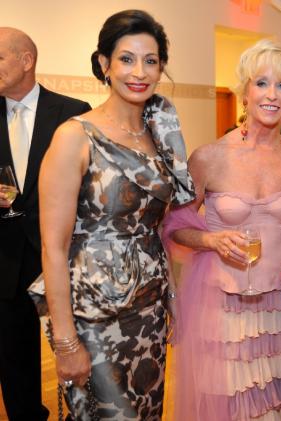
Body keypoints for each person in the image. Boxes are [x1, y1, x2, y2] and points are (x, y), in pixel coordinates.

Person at [27, 10, 195, 420]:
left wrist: (170, 297)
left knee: (147, 411)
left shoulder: (160, 132)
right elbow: (53, 247)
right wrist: (66, 343)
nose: (139, 71)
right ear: (104, 64)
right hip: (94, 315)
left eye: (151, 60)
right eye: (126, 58)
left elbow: (156, 228)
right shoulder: (75, 136)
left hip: (149, 310)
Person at [162, 39, 281, 420]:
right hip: (223, 307)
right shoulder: (209, 157)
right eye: (261, 83)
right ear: (244, 91)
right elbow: (175, 226)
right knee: (227, 401)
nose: (272, 95)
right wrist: (210, 239)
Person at [0, 27, 90, 421]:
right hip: (4, 261)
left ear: (26, 60)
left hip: (62, 258)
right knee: (14, 364)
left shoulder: (73, 112)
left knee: (78, 358)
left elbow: (90, 186)